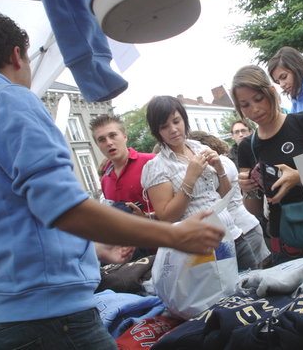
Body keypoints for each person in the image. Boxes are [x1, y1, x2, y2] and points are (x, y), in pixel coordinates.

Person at [0, 12, 224, 350]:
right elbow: (63, 207)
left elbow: (11, 216)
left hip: (9, 321)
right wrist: (174, 235)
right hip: (57, 320)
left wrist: (89, 247)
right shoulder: (7, 99)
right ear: (17, 55)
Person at [142, 96, 261, 270]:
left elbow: (226, 197)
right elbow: (167, 217)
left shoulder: (198, 147)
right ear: (157, 131)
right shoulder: (156, 166)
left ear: (184, 119)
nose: (173, 129)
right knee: (226, 295)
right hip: (203, 247)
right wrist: (190, 178)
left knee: (257, 287)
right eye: (164, 126)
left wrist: (220, 169)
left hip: (233, 234)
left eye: (176, 121)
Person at [231, 65, 303, 265]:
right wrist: (249, 189)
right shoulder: (247, 147)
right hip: (286, 243)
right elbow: (254, 211)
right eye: (245, 105)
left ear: (271, 90)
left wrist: (298, 177)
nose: (255, 109)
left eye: (258, 99)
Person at [189, 130, 271, 268]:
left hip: (244, 228)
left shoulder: (220, 163)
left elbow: (218, 195)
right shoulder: (222, 161)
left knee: (255, 277)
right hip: (244, 225)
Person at [90, 114, 155, 216]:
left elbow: (176, 208)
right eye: (102, 140)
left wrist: (146, 217)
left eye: (112, 135)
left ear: (125, 137)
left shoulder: (151, 161)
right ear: (97, 145)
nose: (109, 142)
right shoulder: (105, 179)